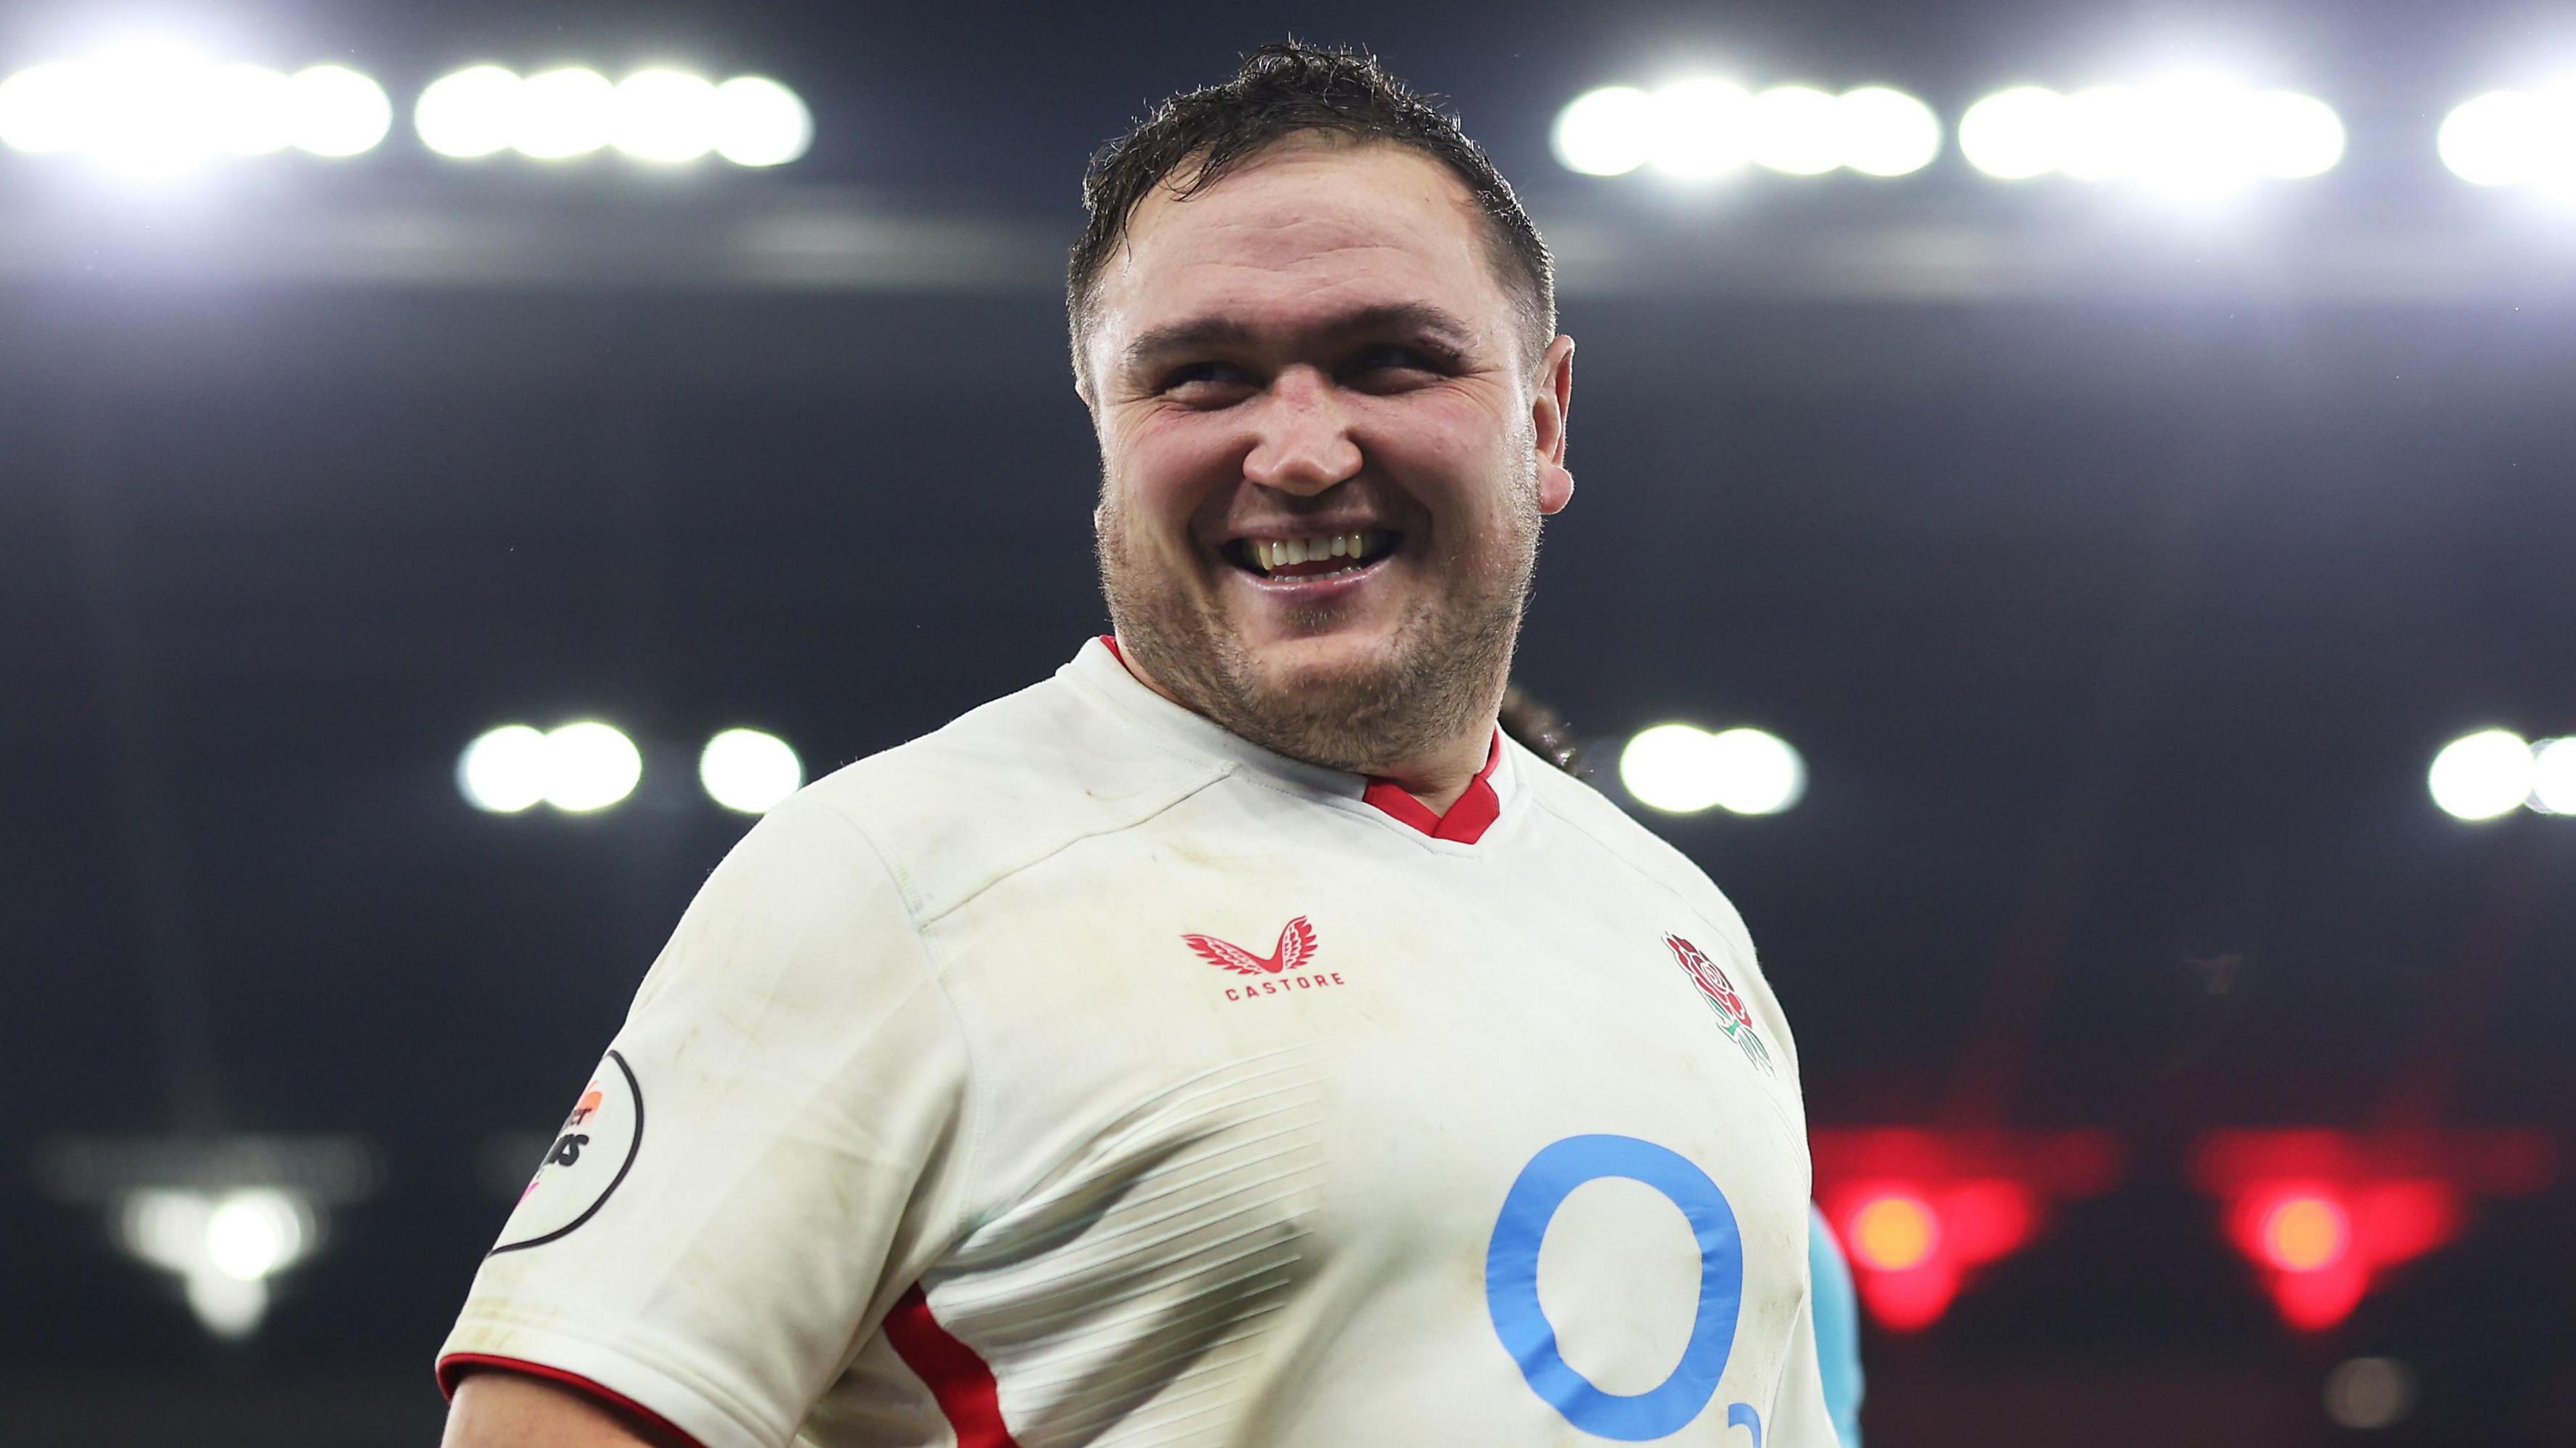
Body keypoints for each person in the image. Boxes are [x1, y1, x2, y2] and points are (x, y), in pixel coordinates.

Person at [438, 42, 1836, 1448]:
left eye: (1389, 359)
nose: (1298, 450)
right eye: (1205, 377)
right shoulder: (897, 876)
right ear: (1104, 432)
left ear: (1542, 415)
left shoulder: (1675, 918)